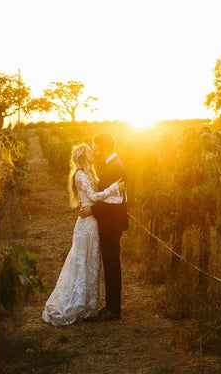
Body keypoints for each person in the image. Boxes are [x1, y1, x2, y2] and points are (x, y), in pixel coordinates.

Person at [42, 144, 123, 326]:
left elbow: (91, 199)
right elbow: (94, 197)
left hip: (92, 222)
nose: (93, 152)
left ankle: (87, 305)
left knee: (90, 262)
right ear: (83, 156)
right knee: (82, 262)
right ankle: (76, 303)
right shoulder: (80, 174)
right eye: (89, 151)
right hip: (86, 224)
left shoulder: (88, 173)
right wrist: (114, 187)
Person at [80, 132, 128, 321]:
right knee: (110, 263)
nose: (94, 149)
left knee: (112, 264)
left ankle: (114, 309)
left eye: (95, 146)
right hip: (110, 222)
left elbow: (115, 202)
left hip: (112, 223)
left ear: (104, 147)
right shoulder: (112, 165)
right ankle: (110, 305)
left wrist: (93, 211)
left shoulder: (115, 167)